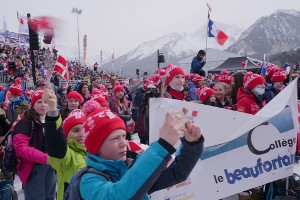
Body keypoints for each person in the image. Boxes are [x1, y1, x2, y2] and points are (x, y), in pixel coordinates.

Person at [77, 106, 204, 200]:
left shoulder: (131, 165)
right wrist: (163, 146)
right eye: (115, 138)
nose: (123, 143)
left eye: (123, 136)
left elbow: (176, 173)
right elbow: (118, 195)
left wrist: (191, 145)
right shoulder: (89, 181)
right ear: (96, 147)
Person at [43, 86, 86, 200]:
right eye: (76, 130)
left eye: (84, 129)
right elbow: (56, 144)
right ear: (66, 136)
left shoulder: (96, 153)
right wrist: (52, 111)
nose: (81, 134)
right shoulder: (66, 156)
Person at [13, 89, 57, 200]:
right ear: (33, 105)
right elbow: (21, 148)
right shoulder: (25, 122)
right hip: (34, 168)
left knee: (50, 196)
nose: (43, 105)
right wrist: (45, 158)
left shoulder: (50, 120)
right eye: (39, 102)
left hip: (51, 166)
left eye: (46, 102)